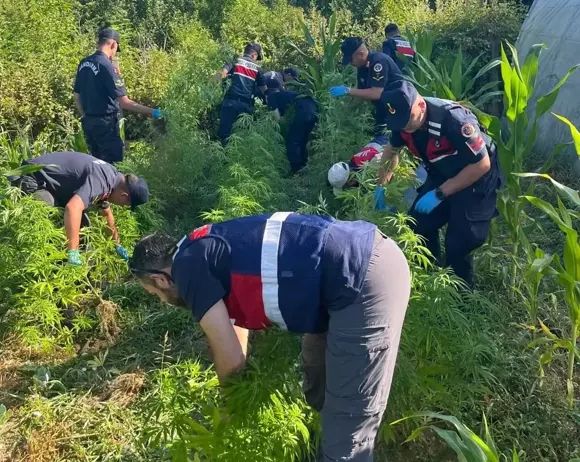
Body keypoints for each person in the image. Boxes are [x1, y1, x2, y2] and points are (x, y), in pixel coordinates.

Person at [129, 212, 411, 461]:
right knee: (317, 375)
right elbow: (232, 331)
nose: (162, 301)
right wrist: (237, 392)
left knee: (348, 431)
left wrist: (231, 409)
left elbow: (227, 353)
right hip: (341, 276)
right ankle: (319, 445)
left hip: (362, 278)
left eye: (156, 295)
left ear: (160, 280)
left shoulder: (186, 269)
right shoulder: (198, 248)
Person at [375, 81, 503, 286]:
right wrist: (381, 185)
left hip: (476, 176)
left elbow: (481, 164)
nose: (405, 128)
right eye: (400, 123)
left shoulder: (454, 121)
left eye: (409, 121)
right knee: (418, 225)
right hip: (442, 170)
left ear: (421, 106)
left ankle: (461, 296)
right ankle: (431, 273)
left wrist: (440, 193)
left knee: (459, 243)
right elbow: (391, 151)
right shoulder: (403, 120)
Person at [10, 152, 149, 266]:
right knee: (52, 218)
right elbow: (72, 208)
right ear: (124, 196)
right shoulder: (102, 181)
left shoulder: (112, 177)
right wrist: (73, 252)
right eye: (125, 205)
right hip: (32, 177)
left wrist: (117, 245)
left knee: (83, 226)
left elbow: (106, 211)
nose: (122, 207)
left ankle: (70, 266)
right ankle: (40, 263)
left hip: (54, 186)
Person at [74, 28, 162, 164]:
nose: (114, 54)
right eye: (116, 49)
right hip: (106, 126)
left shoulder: (84, 63)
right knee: (113, 168)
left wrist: (85, 116)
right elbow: (124, 102)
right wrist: (154, 112)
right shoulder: (107, 66)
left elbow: (77, 96)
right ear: (113, 44)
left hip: (89, 124)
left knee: (97, 166)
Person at [329, 37, 404, 136]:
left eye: (351, 59)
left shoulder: (379, 62)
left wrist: (348, 90)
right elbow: (361, 93)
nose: (351, 63)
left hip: (398, 112)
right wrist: (346, 109)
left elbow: (377, 93)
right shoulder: (362, 67)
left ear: (361, 54)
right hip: (382, 112)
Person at [216, 43, 267, 146]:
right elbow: (264, 90)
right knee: (241, 137)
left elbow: (221, 75)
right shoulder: (257, 69)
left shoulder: (235, 61)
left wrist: (210, 80)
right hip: (245, 107)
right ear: (253, 55)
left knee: (225, 135)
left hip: (230, 103)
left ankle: (222, 160)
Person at [265, 77, 318, 173]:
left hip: (303, 110)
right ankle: (303, 165)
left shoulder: (271, 96)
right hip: (313, 107)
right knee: (303, 139)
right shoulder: (285, 95)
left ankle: (296, 169)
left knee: (293, 140)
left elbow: (279, 120)